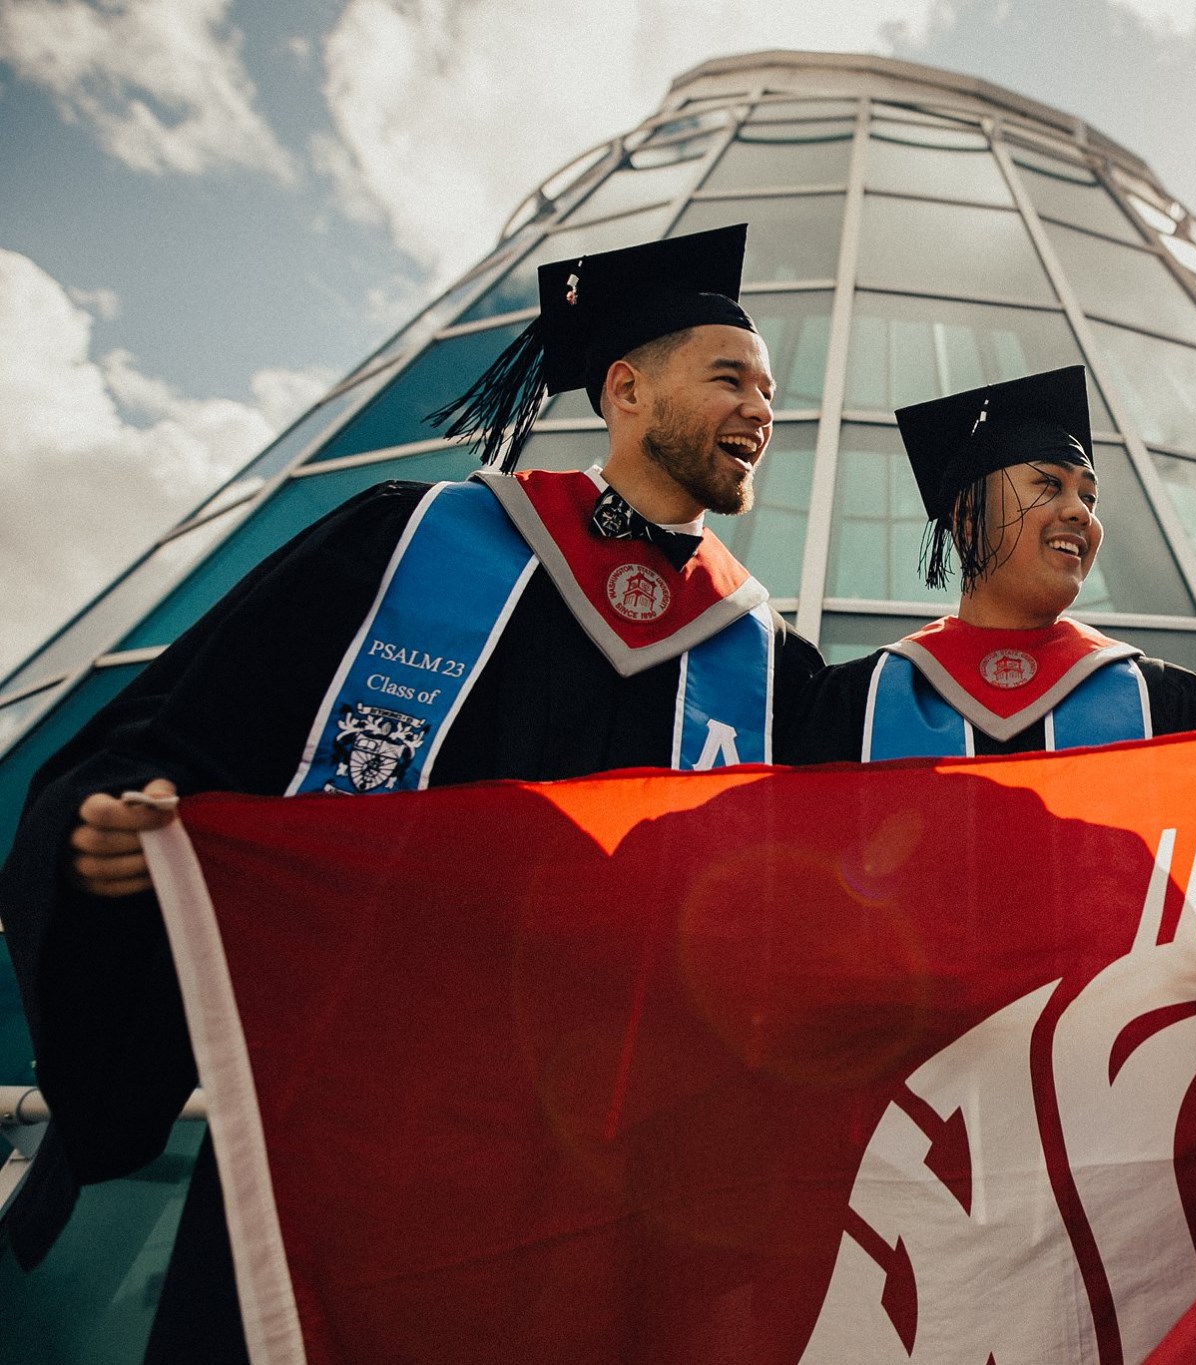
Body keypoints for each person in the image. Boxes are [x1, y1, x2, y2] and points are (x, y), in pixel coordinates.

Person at [0, 225, 823, 1361]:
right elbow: (195, 728)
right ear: (626, 391)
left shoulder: (767, 661)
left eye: (769, 391)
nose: (761, 410)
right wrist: (116, 826)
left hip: (597, 1158)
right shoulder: (413, 542)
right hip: (348, 1118)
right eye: (731, 378)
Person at [787, 366, 1196, 764]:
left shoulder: (1167, 704)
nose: (1081, 512)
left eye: (1089, 497)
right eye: (1049, 484)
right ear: (969, 517)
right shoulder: (856, 705)